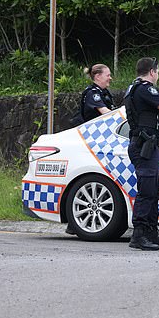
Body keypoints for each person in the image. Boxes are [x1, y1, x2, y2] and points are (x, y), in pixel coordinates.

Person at [124, 57, 159, 250]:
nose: (158, 74)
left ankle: (151, 233)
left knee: (154, 191)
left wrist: (156, 146)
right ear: (152, 72)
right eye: (158, 71)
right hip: (143, 147)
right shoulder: (144, 89)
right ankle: (138, 236)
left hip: (148, 146)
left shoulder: (135, 88)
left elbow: (146, 121)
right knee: (146, 192)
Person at [66, 63, 116, 235]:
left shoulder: (104, 92)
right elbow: (106, 113)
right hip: (90, 143)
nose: (110, 77)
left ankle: (76, 223)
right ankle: (75, 223)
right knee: (88, 180)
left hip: (101, 142)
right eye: (107, 75)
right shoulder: (92, 93)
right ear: (97, 77)